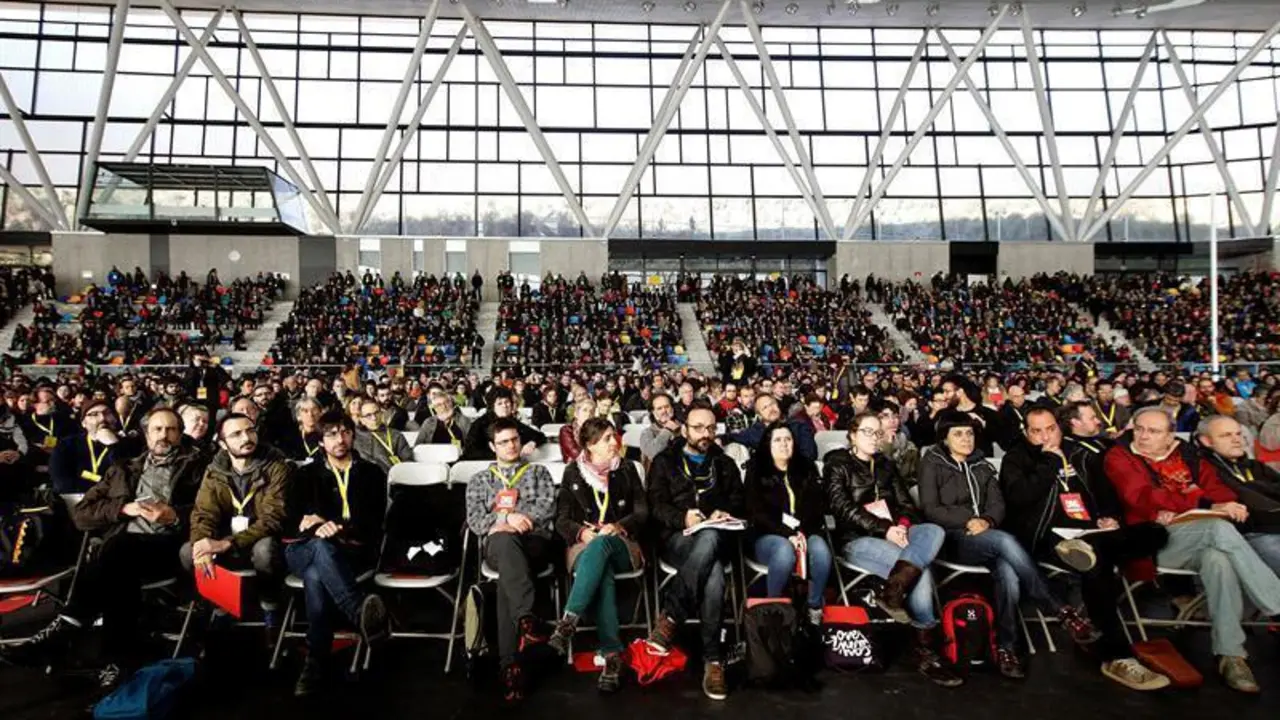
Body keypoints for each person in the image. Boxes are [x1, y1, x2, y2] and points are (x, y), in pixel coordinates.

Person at [1, 408, 207, 689]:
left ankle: (64, 631)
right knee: (119, 563)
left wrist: (175, 515)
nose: (164, 436)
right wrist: (122, 508)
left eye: (171, 429)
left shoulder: (199, 468)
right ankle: (117, 659)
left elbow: (212, 513)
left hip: (169, 546)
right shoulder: (123, 468)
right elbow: (82, 514)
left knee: (114, 553)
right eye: (157, 429)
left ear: (180, 434)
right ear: (146, 435)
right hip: (125, 548)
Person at [1105, 406, 1280, 693]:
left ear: (1170, 435)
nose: (1144, 436)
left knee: (1219, 560)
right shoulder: (1120, 456)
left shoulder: (1187, 455)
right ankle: (1276, 603)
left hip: (1201, 535)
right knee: (1219, 528)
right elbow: (1140, 496)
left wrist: (1187, 501)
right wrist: (1198, 501)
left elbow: (1224, 494)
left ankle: (1231, 655)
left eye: (1154, 431)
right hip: (1152, 543)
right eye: (1139, 429)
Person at [999, 407, 1170, 691]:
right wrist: (1049, 462)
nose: (1045, 435)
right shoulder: (1017, 458)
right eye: (1036, 431)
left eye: (1050, 428)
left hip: (1092, 533)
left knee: (1155, 532)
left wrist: (1110, 516)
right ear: (1026, 433)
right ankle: (1116, 656)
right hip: (1049, 538)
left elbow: (1106, 493)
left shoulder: (1081, 453)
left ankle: (1093, 552)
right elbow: (1019, 498)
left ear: (1060, 427)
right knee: (1096, 566)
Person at [919, 410, 1098, 680]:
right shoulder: (932, 462)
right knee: (1005, 540)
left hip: (988, 538)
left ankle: (1006, 648)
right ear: (944, 439)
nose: (966, 439)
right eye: (958, 434)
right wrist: (971, 520)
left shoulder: (982, 464)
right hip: (953, 538)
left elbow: (998, 504)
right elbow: (931, 509)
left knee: (1009, 573)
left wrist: (988, 520)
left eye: (969, 433)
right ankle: (1058, 609)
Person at [825, 412, 960, 687]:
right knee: (916, 568)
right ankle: (926, 647)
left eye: (878, 433)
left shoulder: (886, 465)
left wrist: (902, 525)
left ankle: (893, 590)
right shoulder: (837, 464)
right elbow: (842, 509)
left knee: (933, 531)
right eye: (867, 432)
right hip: (857, 539)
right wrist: (884, 529)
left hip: (896, 533)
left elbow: (905, 503)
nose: (875, 438)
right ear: (852, 435)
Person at [285, 410, 390, 696]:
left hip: (351, 549)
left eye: (345, 432)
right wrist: (310, 525)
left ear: (353, 435)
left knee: (316, 574)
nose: (340, 439)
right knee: (318, 548)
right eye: (331, 434)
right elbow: (292, 518)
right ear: (320, 441)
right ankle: (359, 612)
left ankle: (315, 658)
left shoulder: (372, 473)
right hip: (302, 548)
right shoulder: (304, 474)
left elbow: (373, 520)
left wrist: (337, 527)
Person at [646, 403, 744, 700]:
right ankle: (713, 659)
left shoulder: (724, 463)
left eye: (711, 428)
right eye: (699, 427)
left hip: (716, 536)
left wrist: (724, 512)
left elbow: (739, 501)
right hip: (678, 538)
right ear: (684, 428)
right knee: (712, 571)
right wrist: (683, 518)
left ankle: (671, 618)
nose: (706, 434)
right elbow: (656, 505)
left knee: (712, 541)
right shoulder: (665, 461)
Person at [548, 418, 649, 694]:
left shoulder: (628, 469)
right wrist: (581, 533)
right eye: (606, 439)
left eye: (613, 436)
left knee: (602, 547)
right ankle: (612, 655)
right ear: (590, 446)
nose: (614, 442)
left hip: (622, 544)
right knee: (598, 560)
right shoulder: (573, 472)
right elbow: (562, 519)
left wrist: (618, 526)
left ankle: (569, 621)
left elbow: (642, 513)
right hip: (585, 544)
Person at [464, 417, 558, 703]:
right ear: (493, 446)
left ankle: (509, 664)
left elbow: (547, 507)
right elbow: (476, 520)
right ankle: (526, 624)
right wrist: (505, 518)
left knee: (508, 561)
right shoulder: (480, 480)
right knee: (504, 544)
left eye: (515, 439)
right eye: (504, 442)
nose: (511, 446)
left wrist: (521, 519)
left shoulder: (538, 472)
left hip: (534, 541)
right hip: (498, 542)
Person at [183, 413, 291, 627]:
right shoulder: (214, 471)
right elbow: (203, 513)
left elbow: (273, 518)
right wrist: (202, 542)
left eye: (250, 431)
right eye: (236, 434)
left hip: (261, 536)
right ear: (222, 444)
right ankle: (220, 604)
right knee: (189, 551)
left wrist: (228, 543)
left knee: (264, 551)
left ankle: (270, 604)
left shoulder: (276, 466)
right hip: (225, 537)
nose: (246, 438)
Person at [745, 422, 831, 625]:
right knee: (784, 551)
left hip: (804, 532)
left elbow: (817, 507)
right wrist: (787, 534)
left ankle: (814, 606)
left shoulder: (806, 468)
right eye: (778, 440)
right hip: (767, 535)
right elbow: (756, 512)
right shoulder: (756, 470)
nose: (784, 444)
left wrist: (802, 532)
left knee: (821, 550)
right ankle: (775, 609)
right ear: (768, 444)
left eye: (788, 439)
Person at [1196, 415, 1280, 575]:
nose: (1236, 440)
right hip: (1252, 534)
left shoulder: (1253, 465)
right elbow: (1241, 498)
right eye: (1226, 435)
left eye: (1238, 434)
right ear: (1207, 441)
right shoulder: (1205, 469)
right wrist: (1262, 488)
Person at [50, 400, 122, 494]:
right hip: (77, 500)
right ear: (84, 423)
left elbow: (127, 479)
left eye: (107, 413)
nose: (102, 418)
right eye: (94, 414)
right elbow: (61, 482)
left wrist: (114, 446)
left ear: (115, 419)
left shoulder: (130, 445)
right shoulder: (67, 445)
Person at [725, 394, 818, 461]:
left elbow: (809, 455)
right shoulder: (754, 432)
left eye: (773, 404)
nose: (771, 409)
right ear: (759, 415)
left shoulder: (798, 426)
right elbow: (732, 436)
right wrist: (719, 439)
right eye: (765, 407)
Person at [462, 387, 543, 461]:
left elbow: (540, 436)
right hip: (484, 463)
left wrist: (532, 443)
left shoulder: (512, 422)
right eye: (500, 403)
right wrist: (501, 454)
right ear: (492, 407)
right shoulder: (479, 424)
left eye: (507, 402)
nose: (504, 406)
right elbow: (469, 451)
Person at [353, 398, 412, 473]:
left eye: (376, 413)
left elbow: (408, 460)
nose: (374, 418)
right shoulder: (356, 439)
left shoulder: (396, 434)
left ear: (381, 413)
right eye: (368, 415)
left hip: (398, 475)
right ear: (362, 420)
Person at [639, 392, 681, 466]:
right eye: (659, 408)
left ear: (672, 408)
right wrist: (668, 429)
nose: (664, 411)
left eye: (667, 406)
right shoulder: (647, 432)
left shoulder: (683, 428)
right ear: (653, 412)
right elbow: (652, 452)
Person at [281, 397, 324, 465]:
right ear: (298, 416)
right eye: (305, 411)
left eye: (314, 409)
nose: (310, 414)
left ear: (321, 412)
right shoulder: (291, 438)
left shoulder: (327, 435)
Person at [558, 395, 594, 464]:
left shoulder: (596, 430)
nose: (589, 414)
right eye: (585, 410)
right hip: (574, 468)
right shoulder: (566, 430)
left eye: (591, 411)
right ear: (576, 414)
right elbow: (575, 453)